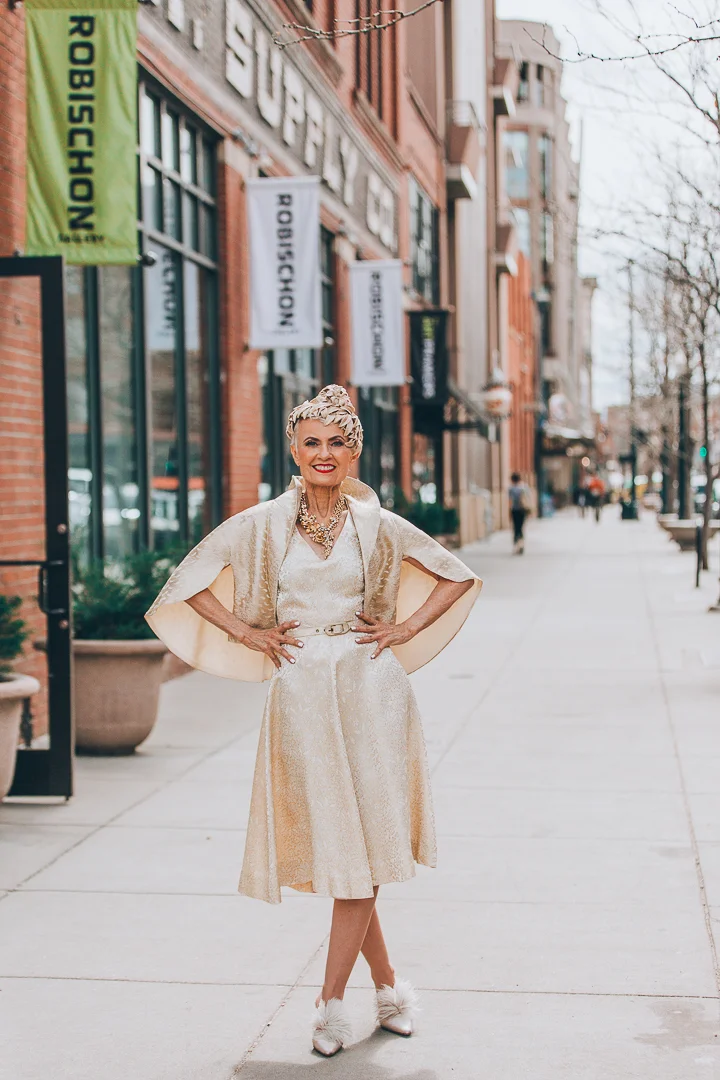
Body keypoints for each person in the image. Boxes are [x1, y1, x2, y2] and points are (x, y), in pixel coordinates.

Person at [146, 385, 482, 1057]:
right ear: (293, 451)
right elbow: (185, 582)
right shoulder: (264, 523)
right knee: (342, 846)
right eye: (311, 442)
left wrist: (405, 626)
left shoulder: (376, 523)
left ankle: (330, 1007)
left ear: (353, 450)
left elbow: (455, 576)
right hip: (301, 691)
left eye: (336, 442)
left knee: (365, 848)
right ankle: (390, 991)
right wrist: (246, 631)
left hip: (371, 687)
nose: (323, 454)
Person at [508, 472, 530, 554]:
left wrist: (509, 512)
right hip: (523, 510)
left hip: (515, 510)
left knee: (516, 528)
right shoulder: (524, 487)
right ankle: (521, 544)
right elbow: (528, 498)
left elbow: (510, 501)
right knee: (521, 528)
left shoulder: (511, 488)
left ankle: (516, 545)